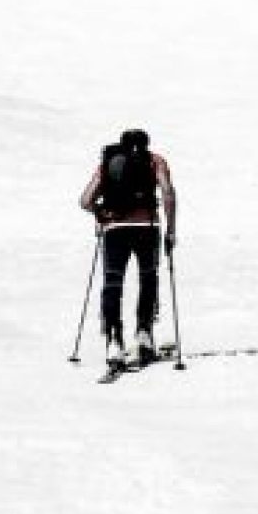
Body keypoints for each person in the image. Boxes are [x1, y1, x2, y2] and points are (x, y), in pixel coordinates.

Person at [79, 128, 177, 366]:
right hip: (147, 228)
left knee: (113, 283)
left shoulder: (108, 162)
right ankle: (144, 333)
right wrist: (171, 230)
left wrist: (100, 213)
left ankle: (114, 340)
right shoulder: (155, 160)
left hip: (114, 230)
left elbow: (84, 200)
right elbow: (167, 193)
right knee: (148, 278)